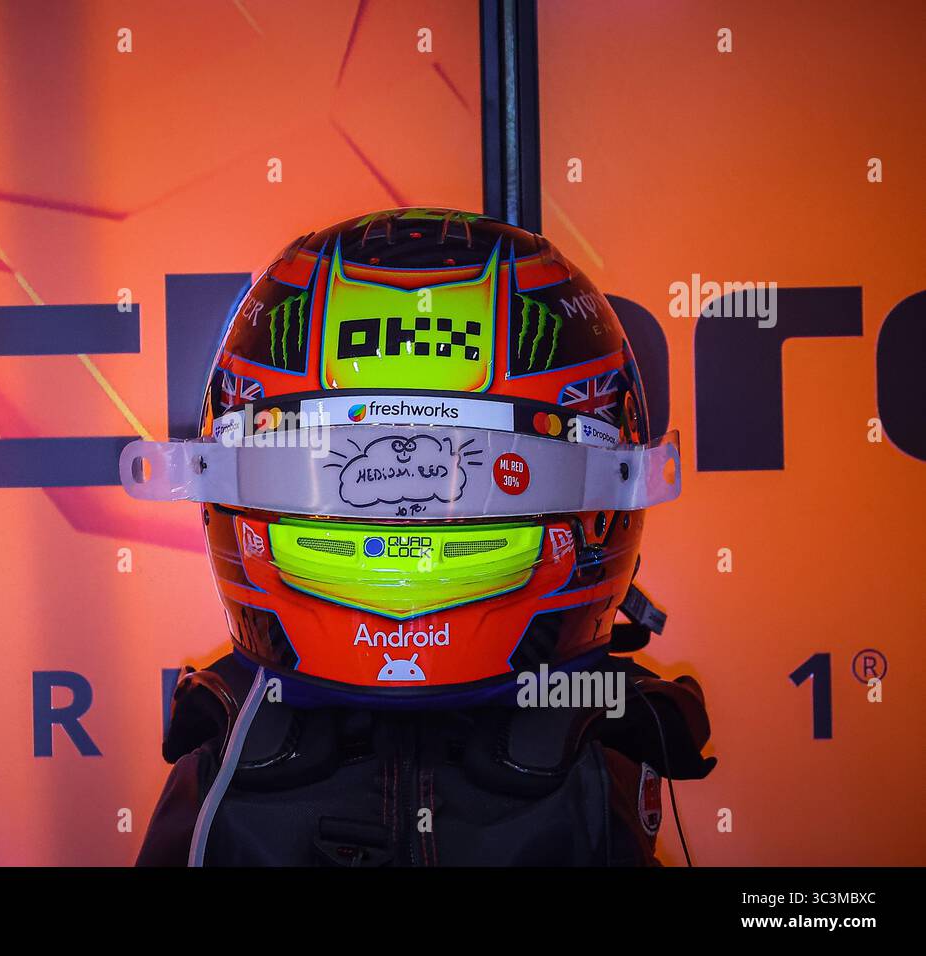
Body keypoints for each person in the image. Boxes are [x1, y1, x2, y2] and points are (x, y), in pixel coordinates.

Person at [121, 208, 714, 866]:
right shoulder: (594, 754)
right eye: (358, 465)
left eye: (461, 473)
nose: (408, 519)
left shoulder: (234, 767)